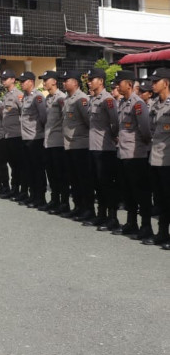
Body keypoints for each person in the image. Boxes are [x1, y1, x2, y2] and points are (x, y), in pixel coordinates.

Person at [114, 69, 152, 239]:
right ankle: (131, 222)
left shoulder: (138, 104)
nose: (116, 85)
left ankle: (146, 226)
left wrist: (141, 146)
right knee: (127, 190)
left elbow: (145, 130)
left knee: (140, 192)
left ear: (128, 84)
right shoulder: (122, 102)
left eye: (119, 82)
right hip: (123, 153)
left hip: (136, 154)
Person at [85, 68, 120, 230]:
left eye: (92, 79)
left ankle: (112, 217)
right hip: (93, 146)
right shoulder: (93, 99)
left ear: (101, 81)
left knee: (107, 183)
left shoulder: (108, 100)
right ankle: (101, 215)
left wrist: (113, 137)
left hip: (105, 148)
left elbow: (115, 122)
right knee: (96, 183)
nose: (89, 82)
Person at [60, 69, 94, 222]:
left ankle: (88, 209)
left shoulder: (81, 99)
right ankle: (78, 206)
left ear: (75, 82)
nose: (64, 83)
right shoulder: (67, 99)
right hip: (69, 145)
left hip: (80, 145)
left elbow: (89, 122)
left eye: (66, 80)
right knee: (73, 179)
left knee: (83, 179)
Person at [40, 70, 70, 215]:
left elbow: (66, 120)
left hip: (58, 142)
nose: (44, 82)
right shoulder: (48, 99)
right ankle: (54, 199)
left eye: (46, 80)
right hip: (48, 141)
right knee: (51, 174)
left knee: (60, 174)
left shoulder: (61, 98)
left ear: (54, 81)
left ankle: (64, 202)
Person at [148, 67, 170, 249]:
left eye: (156, 81)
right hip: (155, 158)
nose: (153, 85)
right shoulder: (154, 105)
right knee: (161, 198)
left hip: (168, 159)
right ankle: (162, 233)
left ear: (166, 83)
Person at [18, 71, 47, 208]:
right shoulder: (25, 97)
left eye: (23, 81)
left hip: (36, 138)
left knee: (38, 169)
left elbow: (43, 118)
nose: (21, 83)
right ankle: (33, 195)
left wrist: (39, 133)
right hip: (26, 138)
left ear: (31, 82)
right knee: (28, 169)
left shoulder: (38, 97)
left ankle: (40, 197)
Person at [0, 69, 24, 200]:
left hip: (16, 135)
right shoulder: (6, 95)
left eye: (6, 78)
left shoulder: (18, 95)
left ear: (13, 79)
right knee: (12, 164)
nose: (3, 80)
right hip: (8, 135)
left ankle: (18, 189)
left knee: (18, 164)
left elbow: (23, 114)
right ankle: (14, 188)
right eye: (3, 78)